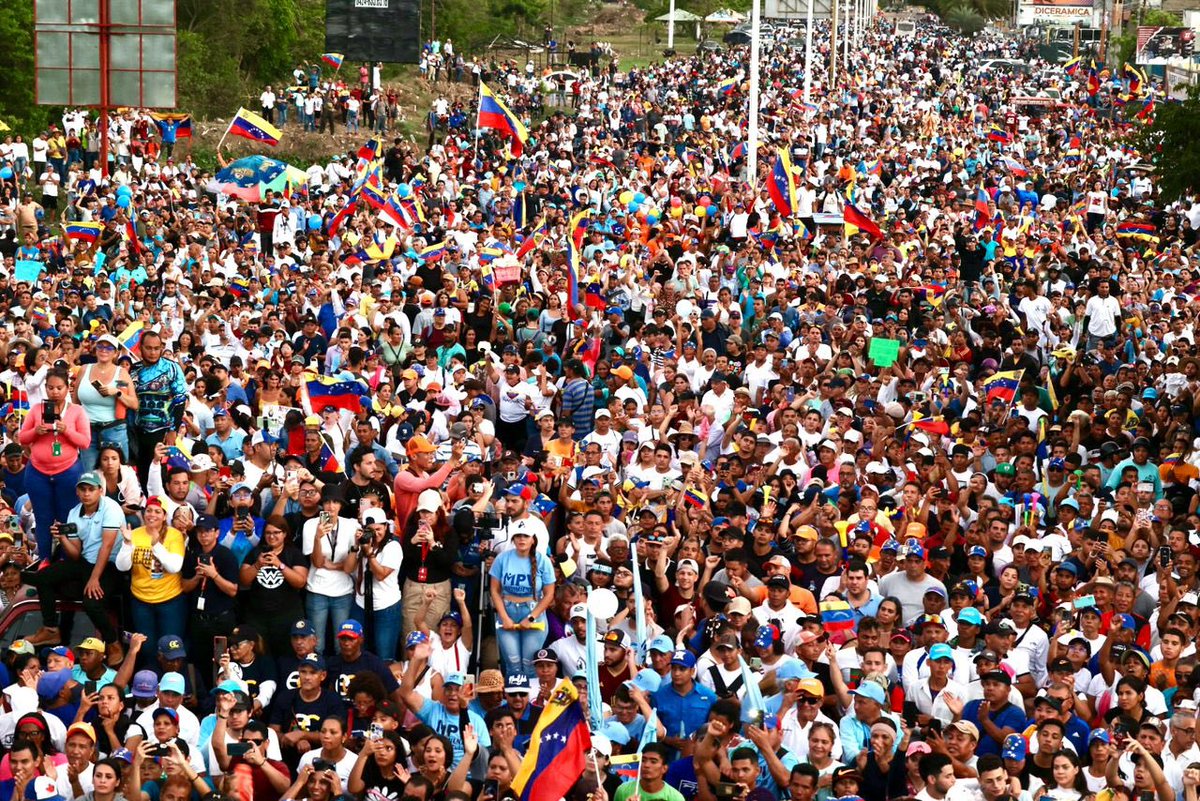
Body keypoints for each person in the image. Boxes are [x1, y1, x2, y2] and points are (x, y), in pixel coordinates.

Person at [25, 471, 122, 656]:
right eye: (83, 489)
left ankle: (113, 642)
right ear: (77, 492)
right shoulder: (74, 513)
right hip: (86, 561)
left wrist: (94, 579)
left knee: (91, 603)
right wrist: (62, 537)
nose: (86, 493)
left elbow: (107, 546)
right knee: (43, 577)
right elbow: (76, 554)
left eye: (91, 489)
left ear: (100, 491)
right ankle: (51, 629)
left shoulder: (111, 507)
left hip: (110, 564)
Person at [19, 367, 91, 564]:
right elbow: (22, 438)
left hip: (68, 472)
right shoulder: (36, 410)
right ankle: (44, 560)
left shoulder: (76, 411)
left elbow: (85, 442)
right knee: (43, 518)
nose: (55, 392)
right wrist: (36, 431)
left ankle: (66, 560)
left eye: (59, 387)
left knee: (67, 519)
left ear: (68, 388)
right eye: (50, 387)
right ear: (45, 388)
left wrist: (66, 430)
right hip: (38, 473)